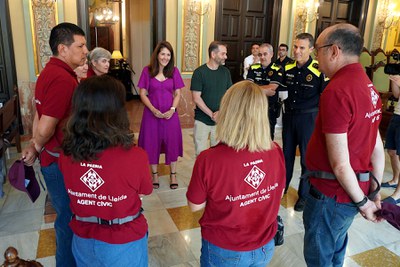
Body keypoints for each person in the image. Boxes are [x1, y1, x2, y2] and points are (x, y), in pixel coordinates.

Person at [303, 23, 384, 267]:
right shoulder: (369, 87)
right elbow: (377, 147)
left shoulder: (337, 90)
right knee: (336, 247)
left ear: (334, 51)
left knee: (320, 257)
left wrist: (364, 203)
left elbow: (339, 164)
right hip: (352, 190)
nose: (316, 58)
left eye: (317, 50)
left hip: (332, 194)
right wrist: (374, 191)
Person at [187, 80, 285, 267]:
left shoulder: (209, 159)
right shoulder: (275, 150)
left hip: (225, 249)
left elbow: (195, 205)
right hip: (265, 246)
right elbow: (278, 194)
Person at [59, 75, 153, 267]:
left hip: (82, 240)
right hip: (124, 243)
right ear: (117, 111)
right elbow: (146, 189)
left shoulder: (66, 155)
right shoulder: (135, 156)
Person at [21, 22, 88, 267]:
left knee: (65, 215)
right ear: (63, 48)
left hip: (52, 156)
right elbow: (47, 125)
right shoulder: (62, 79)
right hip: (59, 161)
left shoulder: (48, 71)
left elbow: (39, 113)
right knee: (68, 218)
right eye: (80, 46)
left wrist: (33, 143)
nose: (85, 50)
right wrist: (37, 145)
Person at [282, 33, 328, 211]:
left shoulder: (318, 70)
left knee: (306, 160)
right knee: (286, 156)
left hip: (308, 119)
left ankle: (304, 195)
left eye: (301, 48)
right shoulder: (287, 68)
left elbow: (325, 98)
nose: (297, 51)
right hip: (289, 117)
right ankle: (282, 188)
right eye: (295, 47)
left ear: (310, 49)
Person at [138, 41, 184, 189]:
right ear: (157, 55)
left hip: (170, 116)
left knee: (172, 143)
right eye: (163, 53)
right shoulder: (147, 71)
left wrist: (172, 109)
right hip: (152, 115)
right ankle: (155, 175)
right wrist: (153, 109)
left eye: (168, 54)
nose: (165, 57)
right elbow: (142, 93)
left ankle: (173, 175)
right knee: (152, 144)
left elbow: (178, 93)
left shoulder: (174, 71)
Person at [191, 41, 232, 157]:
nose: (226, 57)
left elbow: (229, 94)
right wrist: (212, 114)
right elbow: (196, 98)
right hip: (202, 120)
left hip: (221, 120)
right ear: (213, 55)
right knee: (201, 154)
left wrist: (220, 112)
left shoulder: (225, 72)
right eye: (223, 54)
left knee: (219, 154)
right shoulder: (199, 72)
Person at [247, 43, 284, 140]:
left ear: (271, 54)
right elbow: (247, 87)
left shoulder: (277, 69)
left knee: (267, 138)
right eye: (260, 54)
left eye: (265, 54)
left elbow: (272, 88)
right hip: (254, 107)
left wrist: (254, 88)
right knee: (252, 136)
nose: (262, 57)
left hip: (269, 109)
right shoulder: (253, 68)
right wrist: (264, 90)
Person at [382, 75, 400, 204]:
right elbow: (397, 94)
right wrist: (394, 81)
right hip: (397, 115)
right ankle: (395, 180)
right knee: (391, 151)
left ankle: (398, 194)